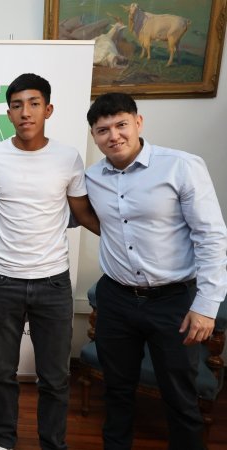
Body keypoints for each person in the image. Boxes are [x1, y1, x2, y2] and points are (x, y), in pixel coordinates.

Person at [85, 92, 227, 450]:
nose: (114, 136)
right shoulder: (92, 177)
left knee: (180, 396)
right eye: (103, 130)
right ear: (94, 136)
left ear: (138, 122)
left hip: (174, 301)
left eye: (121, 125)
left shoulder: (181, 166)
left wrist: (206, 305)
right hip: (116, 299)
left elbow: (211, 236)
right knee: (116, 392)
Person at [0, 73, 100, 450]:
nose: (25, 112)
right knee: (2, 371)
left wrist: (130, 239)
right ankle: (1, 441)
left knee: (55, 377)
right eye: (17, 105)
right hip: (3, 281)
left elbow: (83, 212)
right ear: (9, 113)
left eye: (33, 104)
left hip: (53, 283)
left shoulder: (68, 157)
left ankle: (52, 443)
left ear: (48, 109)